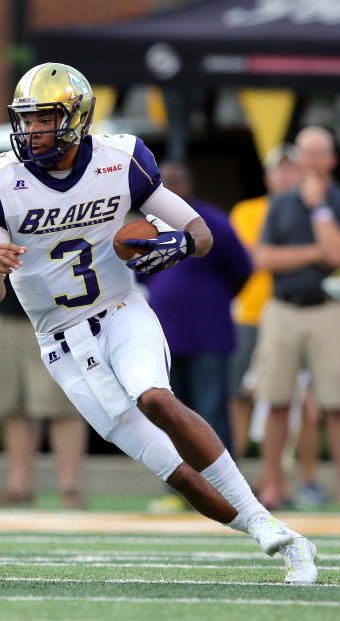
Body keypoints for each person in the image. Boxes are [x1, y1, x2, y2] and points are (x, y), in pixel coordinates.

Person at [0, 62, 317, 584]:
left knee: (155, 397)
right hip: (61, 341)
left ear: (75, 118)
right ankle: (271, 532)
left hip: (121, 309)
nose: (33, 130)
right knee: (171, 469)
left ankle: (266, 524)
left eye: (44, 119)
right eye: (28, 119)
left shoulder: (120, 159)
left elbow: (200, 232)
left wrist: (177, 243)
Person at [142, 161, 252, 513]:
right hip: (167, 337)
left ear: (189, 185)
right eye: (166, 183)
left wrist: (211, 299)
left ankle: (226, 489)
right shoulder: (147, 224)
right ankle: (182, 490)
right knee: (173, 415)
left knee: (211, 411)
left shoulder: (211, 222)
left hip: (208, 334)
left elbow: (242, 268)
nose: (171, 189)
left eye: (177, 182)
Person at [253, 126, 340, 510]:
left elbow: (335, 256)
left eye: (320, 153)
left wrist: (319, 208)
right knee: (275, 401)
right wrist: (312, 253)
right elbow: (263, 259)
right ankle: (274, 486)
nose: (312, 161)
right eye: (307, 153)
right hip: (283, 307)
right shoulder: (281, 203)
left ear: (332, 159)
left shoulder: (336, 199)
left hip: (328, 308)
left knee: (335, 406)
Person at [0, 279, 88, 509]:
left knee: (63, 405)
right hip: (8, 310)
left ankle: (70, 488)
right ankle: (19, 486)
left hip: (58, 313)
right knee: (13, 403)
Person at [229, 143, 300, 459]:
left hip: (294, 312)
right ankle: (237, 472)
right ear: (268, 175)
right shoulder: (247, 210)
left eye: (291, 168)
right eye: (279, 169)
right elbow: (252, 259)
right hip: (250, 313)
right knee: (239, 395)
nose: (284, 175)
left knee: (296, 401)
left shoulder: (314, 209)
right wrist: (302, 256)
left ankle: (294, 480)